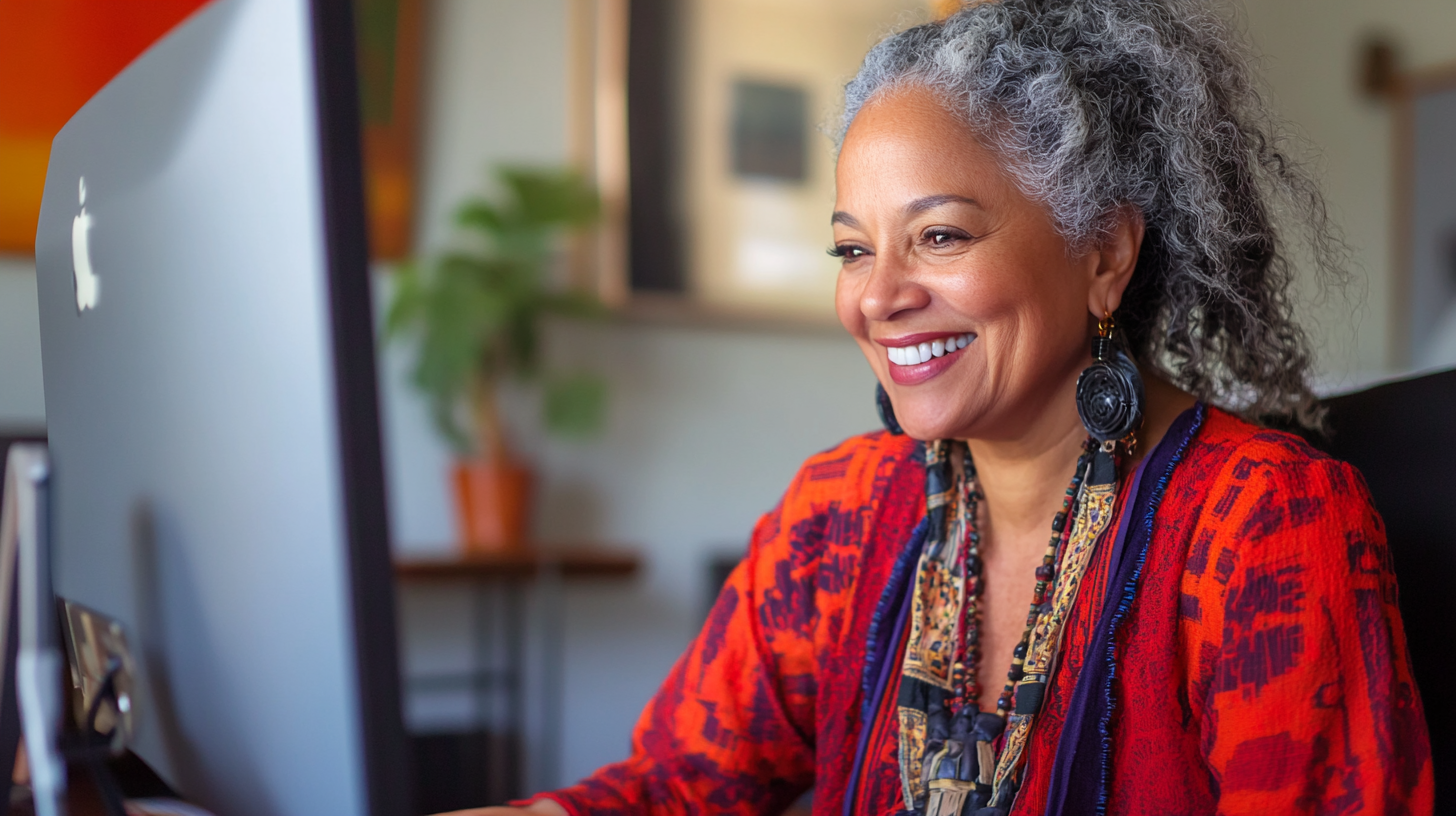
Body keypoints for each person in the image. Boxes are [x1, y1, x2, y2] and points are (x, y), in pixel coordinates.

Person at [455, 0, 1434, 813]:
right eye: (850, 248)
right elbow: (673, 787)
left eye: (938, 237)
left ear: (1103, 255)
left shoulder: (1260, 525)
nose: (876, 296)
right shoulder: (837, 518)